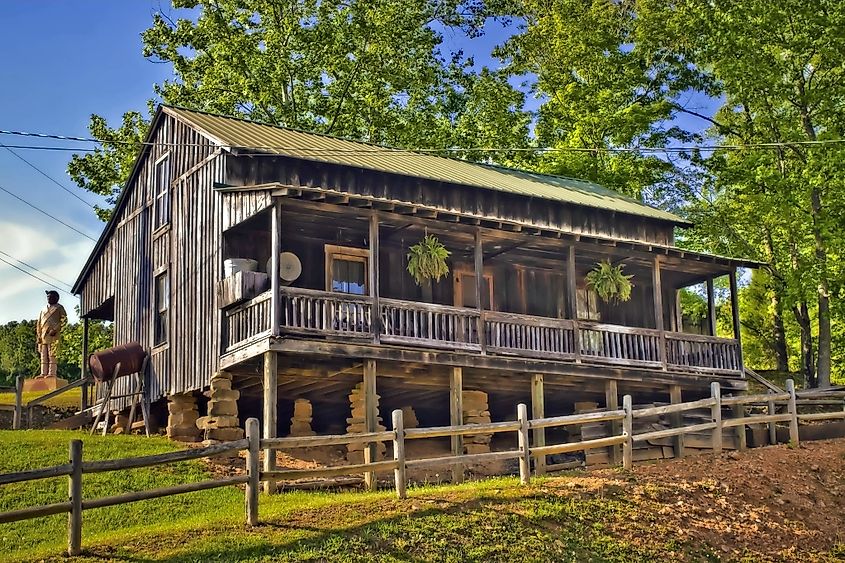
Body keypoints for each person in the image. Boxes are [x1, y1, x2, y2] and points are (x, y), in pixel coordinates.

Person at [36, 290, 67, 378]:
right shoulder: (43, 309)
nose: (49, 298)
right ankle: (43, 373)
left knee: (52, 355)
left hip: (53, 335)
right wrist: (38, 335)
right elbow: (39, 323)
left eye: (51, 297)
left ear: (56, 298)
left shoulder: (59, 308)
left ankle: (52, 373)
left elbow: (64, 321)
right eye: (48, 297)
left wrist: (55, 329)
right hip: (43, 336)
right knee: (43, 355)